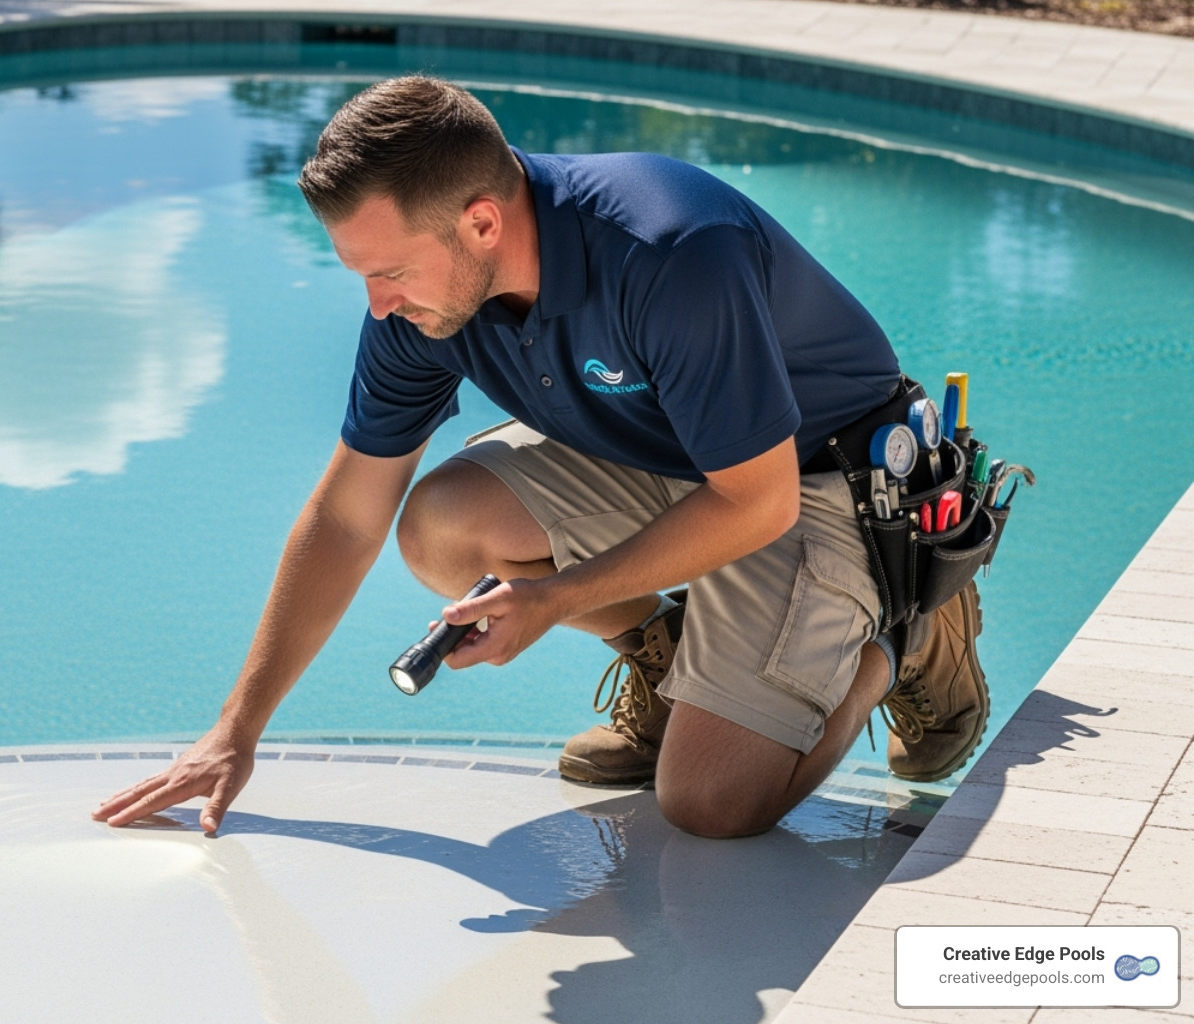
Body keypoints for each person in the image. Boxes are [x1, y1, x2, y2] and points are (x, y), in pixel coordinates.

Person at [94, 76, 988, 838]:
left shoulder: (670, 251)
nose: (377, 305)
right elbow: (348, 516)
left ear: (481, 223)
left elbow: (758, 503)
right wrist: (236, 728)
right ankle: (671, 659)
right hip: (675, 458)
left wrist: (555, 599)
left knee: (711, 804)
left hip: (815, 478)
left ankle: (905, 632)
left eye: (390, 271)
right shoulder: (422, 308)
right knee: (441, 527)